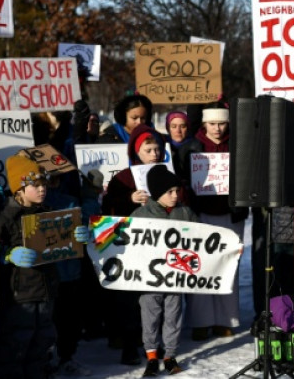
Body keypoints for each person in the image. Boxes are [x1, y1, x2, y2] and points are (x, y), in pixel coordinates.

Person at [0, 155, 88, 379]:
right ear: (19, 189)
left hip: (46, 289)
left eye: (44, 184)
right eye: (36, 185)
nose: (42, 189)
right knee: (16, 340)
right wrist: (8, 255)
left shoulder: (49, 213)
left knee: (43, 338)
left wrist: (77, 236)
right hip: (18, 294)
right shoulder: (5, 216)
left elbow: (64, 244)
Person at [101, 123, 169, 364]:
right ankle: (130, 345)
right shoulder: (123, 177)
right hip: (130, 248)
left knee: (155, 297)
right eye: (148, 149)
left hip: (158, 246)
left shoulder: (166, 173)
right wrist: (128, 198)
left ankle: (153, 344)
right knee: (130, 300)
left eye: (157, 149)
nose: (154, 154)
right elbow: (107, 208)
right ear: (136, 152)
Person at [178, 105, 245, 341]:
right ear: (204, 124)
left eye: (222, 123)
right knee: (199, 266)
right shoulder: (190, 147)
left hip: (230, 213)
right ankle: (200, 321)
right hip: (200, 214)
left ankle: (226, 320)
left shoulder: (238, 146)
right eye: (213, 123)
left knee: (228, 267)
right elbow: (180, 178)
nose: (217, 128)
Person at [132, 166, 199, 376]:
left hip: (175, 277)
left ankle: (170, 356)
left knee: (173, 315)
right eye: (169, 191)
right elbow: (125, 239)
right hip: (150, 279)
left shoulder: (185, 212)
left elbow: (203, 238)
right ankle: (152, 356)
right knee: (150, 315)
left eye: (177, 191)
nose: (175, 195)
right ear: (156, 192)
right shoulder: (142, 213)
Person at [164, 111, 191, 175]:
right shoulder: (161, 145)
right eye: (173, 126)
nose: (178, 130)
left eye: (182, 126)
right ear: (168, 128)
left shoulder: (196, 145)